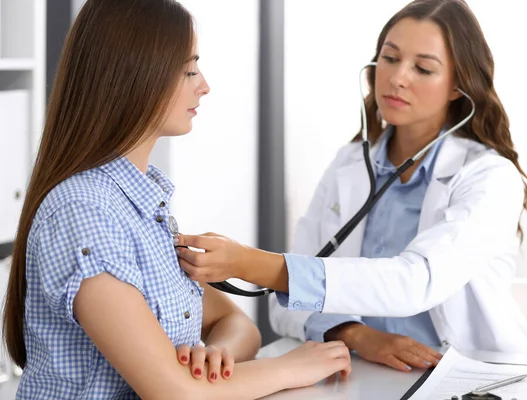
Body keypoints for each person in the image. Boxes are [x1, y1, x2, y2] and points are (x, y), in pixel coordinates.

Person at [1, 0, 351, 399]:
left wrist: (216, 358)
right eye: (188, 70)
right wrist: (290, 368)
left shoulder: (145, 206)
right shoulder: (84, 211)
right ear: (134, 76)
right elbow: (176, 394)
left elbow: (237, 326)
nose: (203, 84)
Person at [175, 0, 527, 372]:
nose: (398, 77)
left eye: (423, 68)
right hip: (363, 372)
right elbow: (283, 307)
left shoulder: (489, 178)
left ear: (458, 87)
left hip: (469, 375)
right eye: (390, 58)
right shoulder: (348, 165)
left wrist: (252, 263)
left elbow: (417, 282)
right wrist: (355, 334)